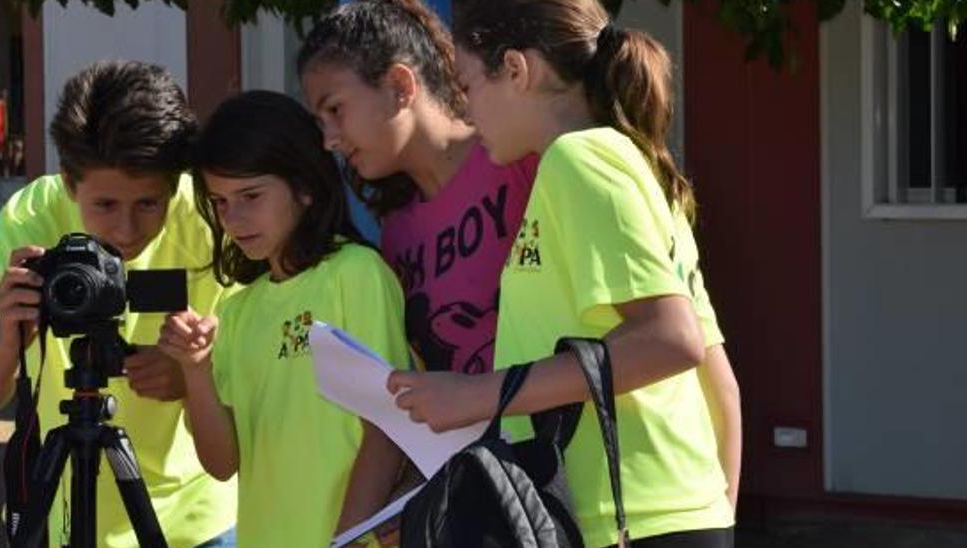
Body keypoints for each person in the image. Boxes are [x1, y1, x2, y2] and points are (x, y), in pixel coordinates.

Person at [387, 0, 742, 546]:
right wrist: (715, 514)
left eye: (467, 84)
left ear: (516, 70)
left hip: (629, 520)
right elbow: (719, 382)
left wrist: (474, 394)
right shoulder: (631, 164)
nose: (465, 109)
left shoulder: (577, 160)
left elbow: (673, 338)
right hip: (664, 516)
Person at [0, 60, 236, 548]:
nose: (126, 231)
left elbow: (258, 383)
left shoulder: (215, 220)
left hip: (196, 520)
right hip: (58, 514)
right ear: (67, 181)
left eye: (148, 204)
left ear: (175, 184)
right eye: (104, 206)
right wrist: (8, 343)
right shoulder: (31, 219)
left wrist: (192, 379)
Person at [157, 90, 409, 546]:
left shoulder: (356, 273)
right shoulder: (235, 310)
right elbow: (221, 464)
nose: (233, 218)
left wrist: (346, 539)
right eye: (220, 202)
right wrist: (195, 372)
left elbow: (389, 426)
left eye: (250, 195)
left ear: (306, 186)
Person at [298, 0, 538, 376]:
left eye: (336, 110)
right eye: (319, 121)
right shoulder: (397, 233)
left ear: (399, 85)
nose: (329, 139)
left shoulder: (521, 159)